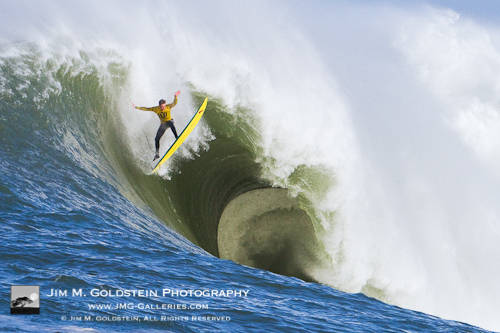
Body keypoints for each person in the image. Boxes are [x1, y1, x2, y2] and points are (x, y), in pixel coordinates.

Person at [133, 91, 181, 160]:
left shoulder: (168, 106)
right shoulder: (156, 109)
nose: (163, 108)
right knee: (156, 139)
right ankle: (157, 154)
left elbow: (174, 103)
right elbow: (146, 108)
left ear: (165, 105)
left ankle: (176, 137)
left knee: (170, 123)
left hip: (170, 121)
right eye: (161, 107)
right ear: (159, 106)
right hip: (163, 124)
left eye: (163, 106)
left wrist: (175, 96)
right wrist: (136, 107)